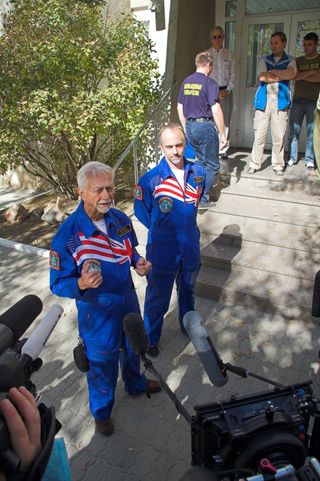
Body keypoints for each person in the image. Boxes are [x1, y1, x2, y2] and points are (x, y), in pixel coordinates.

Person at [50, 162, 160, 437]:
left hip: (127, 298)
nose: (106, 195)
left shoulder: (119, 219)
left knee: (134, 347)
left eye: (109, 187)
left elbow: (130, 250)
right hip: (97, 312)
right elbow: (57, 284)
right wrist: (81, 283)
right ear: (81, 192)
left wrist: (139, 263)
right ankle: (101, 411)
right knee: (102, 364)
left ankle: (135, 384)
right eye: (98, 189)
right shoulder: (68, 235)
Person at [134, 123, 205, 357]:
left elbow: (195, 204)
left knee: (187, 290)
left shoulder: (198, 174)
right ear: (161, 148)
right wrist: (162, 229)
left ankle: (187, 326)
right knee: (157, 298)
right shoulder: (150, 181)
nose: (175, 151)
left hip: (190, 247)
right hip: (163, 250)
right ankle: (150, 339)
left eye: (179, 145)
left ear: (185, 144)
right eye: (169, 146)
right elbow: (142, 212)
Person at [177, 51, 228, 210]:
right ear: (209, 65)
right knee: (212, 165)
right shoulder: (210, 83)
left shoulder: (186, 81)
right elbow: (215, 109)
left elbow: (180, 106)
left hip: (190, 126)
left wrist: (186, 126)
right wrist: (223, 133)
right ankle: (202, 198)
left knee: (200, 161)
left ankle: (190, 191)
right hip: (205, 126)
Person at [248, 32, 297, 176]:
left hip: (280, 103)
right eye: (271, 43)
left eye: (276, 43)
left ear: (284, 43)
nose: (273, 46)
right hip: (263, 102)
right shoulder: (264, 59)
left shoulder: (290, 59)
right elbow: (262, 76)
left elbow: (292, 74)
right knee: (259, 135)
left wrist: (274, 72)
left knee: (278, 136)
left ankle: (278, 165)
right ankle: (255, 163)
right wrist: (281, 75)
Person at [287, 32, 320, 171]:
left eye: (309, 44)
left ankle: (310, 159)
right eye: (304, 45)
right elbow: (294, 76)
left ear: (316, 44)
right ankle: (292, 158)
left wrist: (301, 76)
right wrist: (310, 71)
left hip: (313, 100)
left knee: (312, 132)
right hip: (298, 100)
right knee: (294, 131)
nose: (306, 47)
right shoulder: (297, 60)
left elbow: (318, 78)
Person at [207, 25, 236, 158]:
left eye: (220, 36)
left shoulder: (229, 54)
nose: (217, 39)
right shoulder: (207, 55)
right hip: (211, 92)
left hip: (226, 92)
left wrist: (227, 90)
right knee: (211, 120)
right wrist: (213, 92)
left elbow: (233, 74)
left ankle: (223, 150)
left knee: (225, 121)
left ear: (223, 37)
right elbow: (204, 76)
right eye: (214, 37)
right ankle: (213, 149)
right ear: (211, 39)